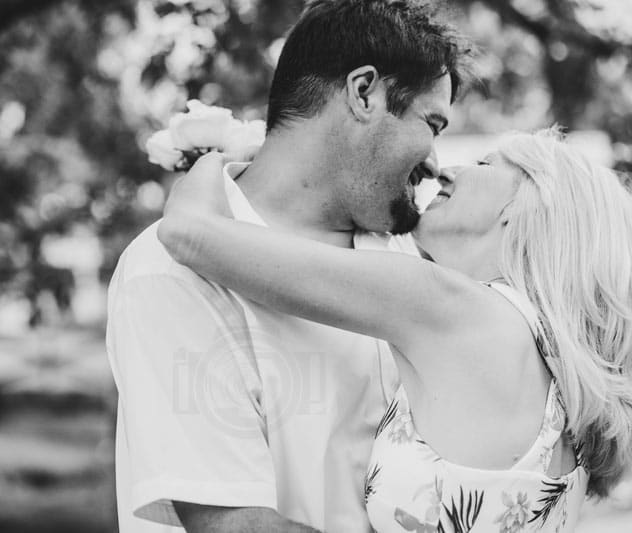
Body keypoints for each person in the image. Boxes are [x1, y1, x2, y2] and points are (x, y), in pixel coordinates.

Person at [157, 128, 632, 532]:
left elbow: (190, 234)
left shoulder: (449, 308)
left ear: (525, 206)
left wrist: (216, 156)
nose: (448, 169)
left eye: (487, 164)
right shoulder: (558, 371)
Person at [105, 1, 466, 531]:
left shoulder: (409, 257)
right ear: (364, 91)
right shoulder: (171, 275)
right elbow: (237, 524)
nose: (435, 159)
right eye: (431, 123)